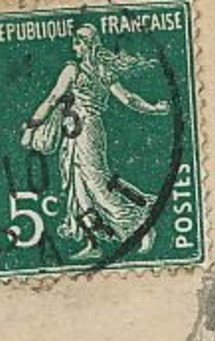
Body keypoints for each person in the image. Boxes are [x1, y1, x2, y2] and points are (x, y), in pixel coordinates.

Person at [21, 25, 170, 258]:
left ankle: (140, 227)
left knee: (97, 185)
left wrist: (31, 127)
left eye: (78, 42)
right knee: (78, 188)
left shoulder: (75, 70)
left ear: (87, 44)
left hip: (86, 132)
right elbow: (129, 99)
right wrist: (153, 108)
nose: (74, 47)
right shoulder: (101, 70)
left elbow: (52, 99)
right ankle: (93, 243)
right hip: (75, 132)